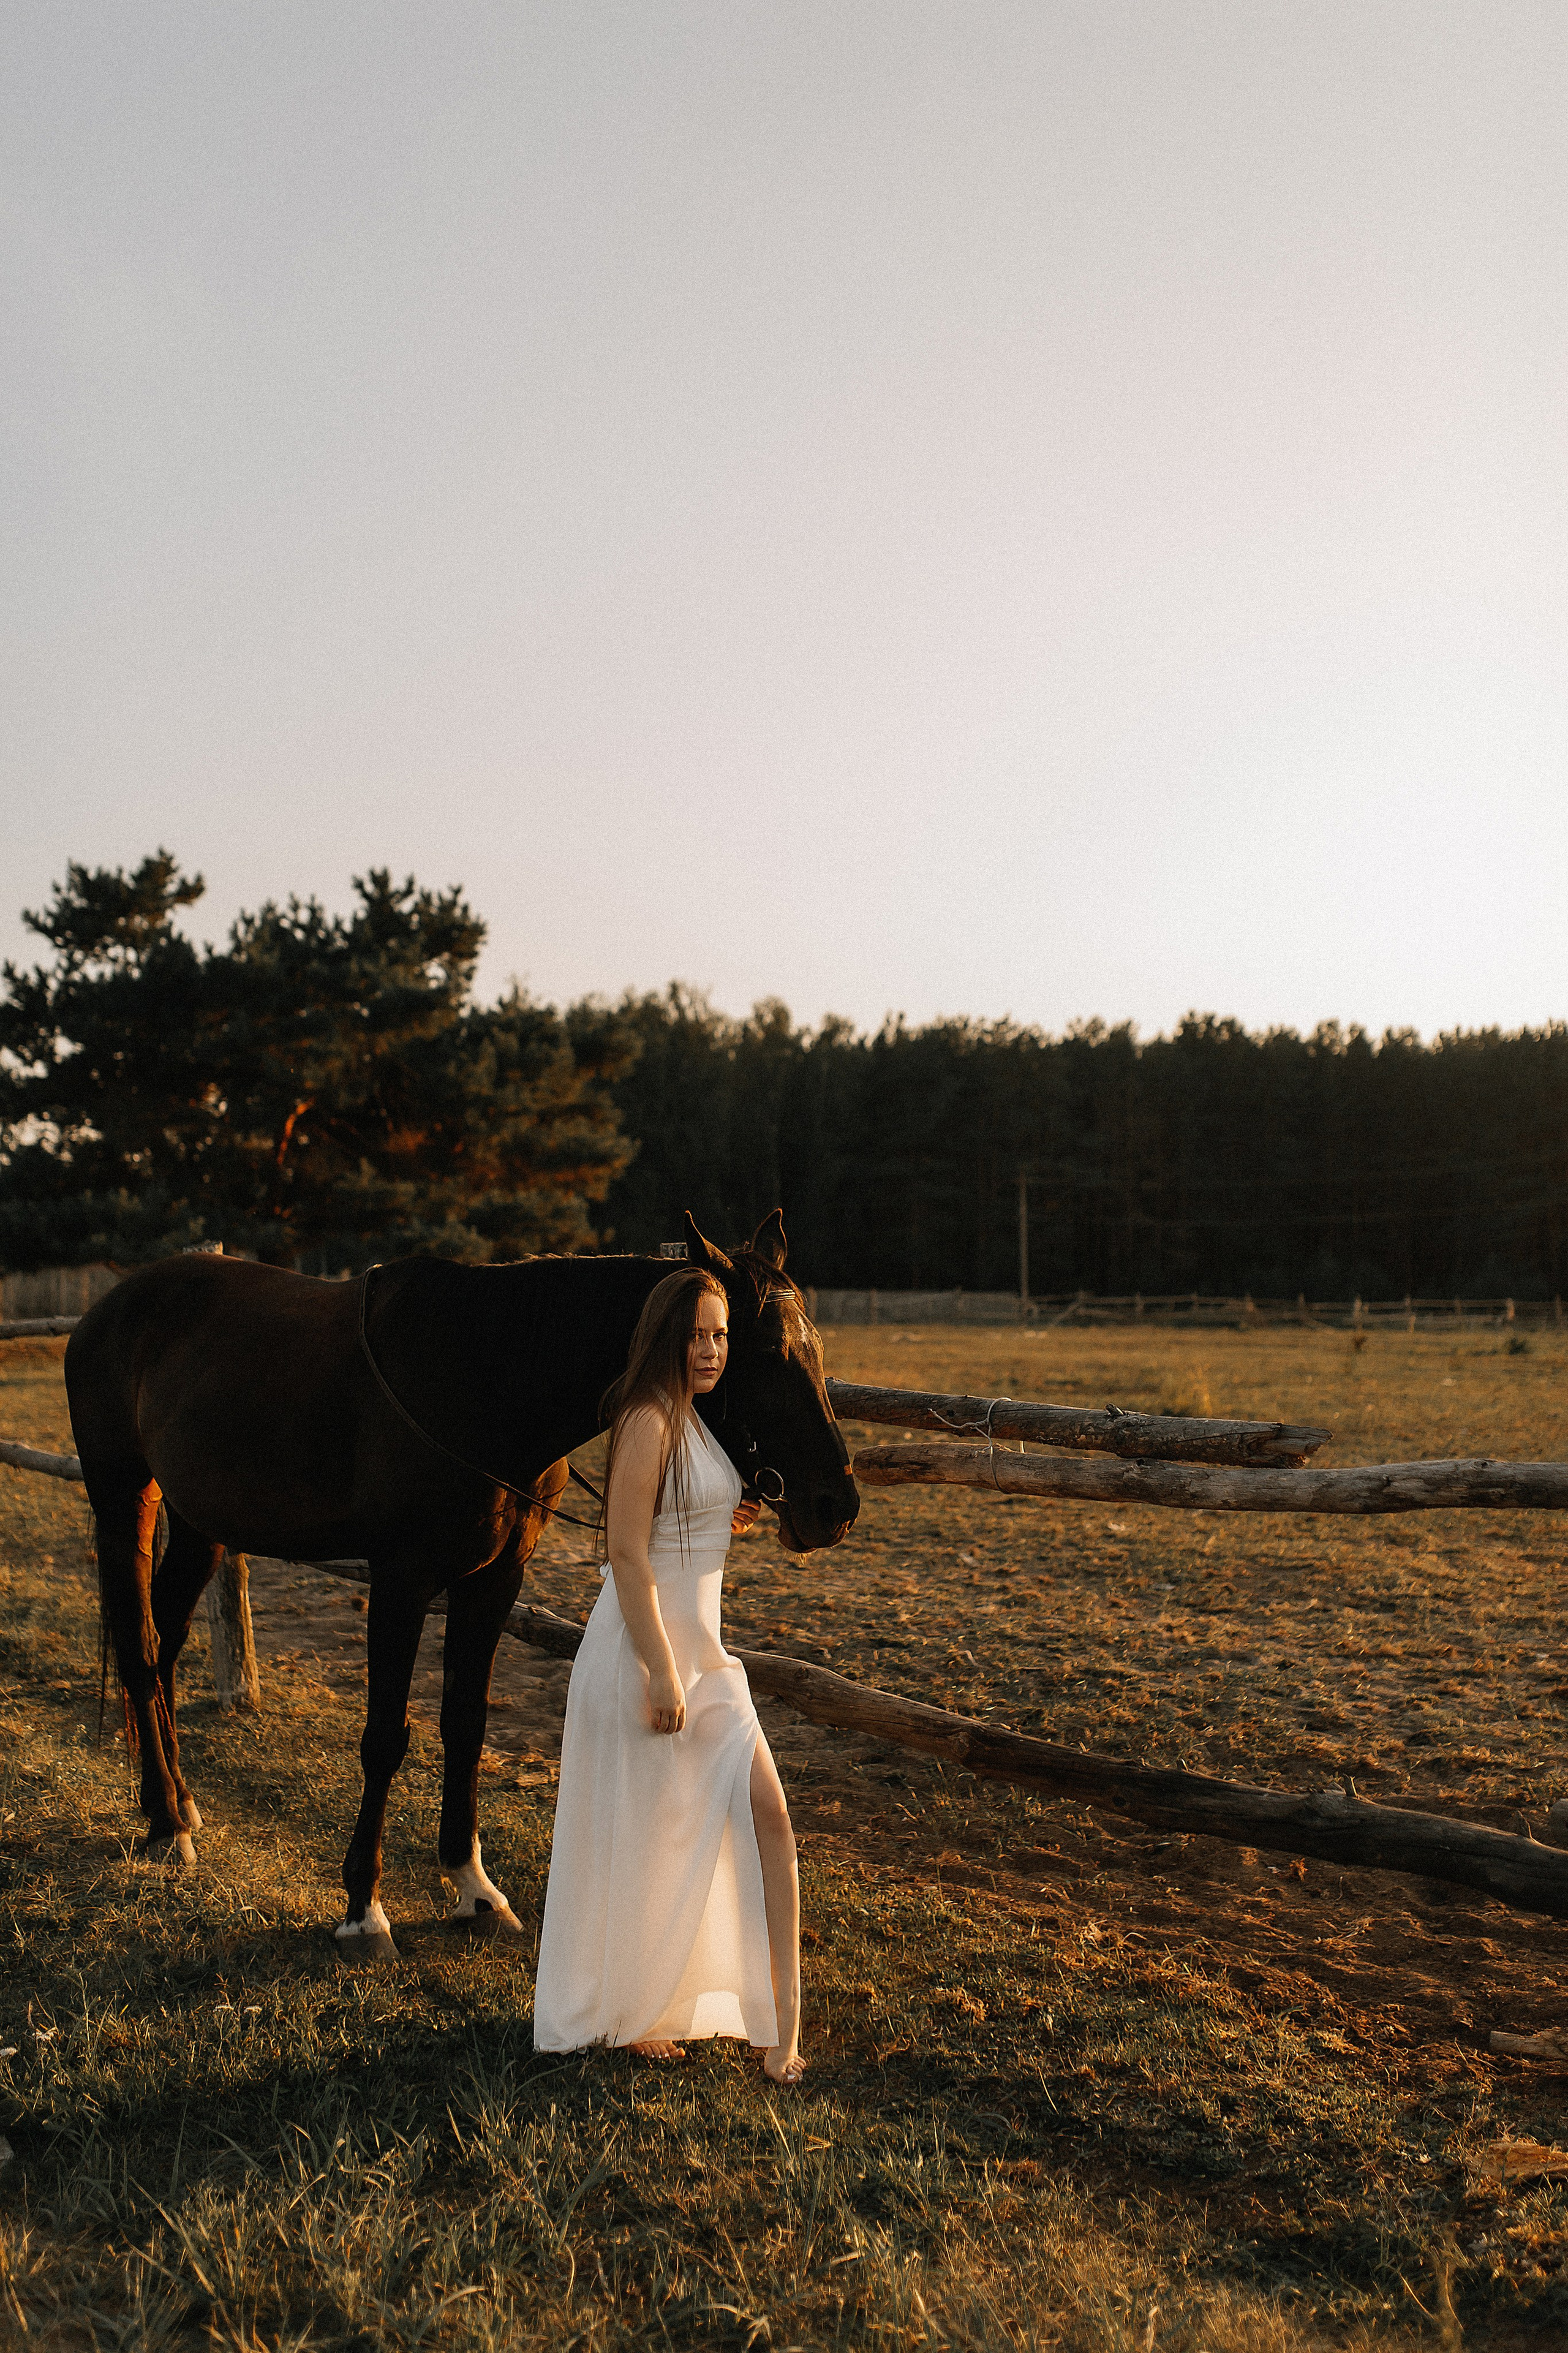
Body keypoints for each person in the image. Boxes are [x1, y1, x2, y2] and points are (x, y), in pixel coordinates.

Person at [532, 1267, 805, 2083]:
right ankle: (634, 2009)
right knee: (648, 1835)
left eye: (720, 1334)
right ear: (665, 1337)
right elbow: (624, 1550)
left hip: (707, 1660)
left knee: (771, 1819)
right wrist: (657, 1668)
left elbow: (675, 1528)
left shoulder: (690, 1417)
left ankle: (780, 2031)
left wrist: (726, 1517)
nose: (711, 1348)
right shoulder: (649, 1417)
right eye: (696, 1334)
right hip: (644, 1654)